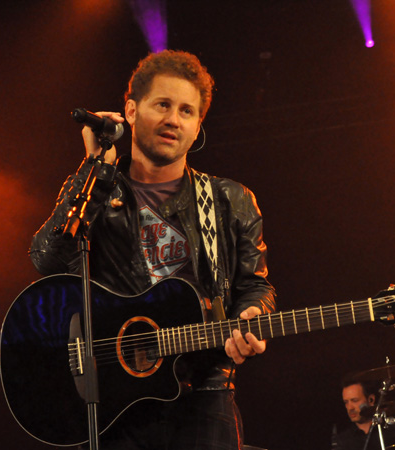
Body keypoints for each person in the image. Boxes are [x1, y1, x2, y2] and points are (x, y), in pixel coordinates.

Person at [29, 49, 276, 450]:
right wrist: (96, 167)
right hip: (114, 397)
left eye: (186, 111)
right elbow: (47, 260)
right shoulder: (96, 187)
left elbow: (256, 286)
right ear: (130, 110)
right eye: (162, 104)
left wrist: (253, 314)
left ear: (198, 126)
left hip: (205, 391)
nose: (173, 120)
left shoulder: (230, 199)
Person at [333, 380, 395, 450]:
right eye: (346, 402)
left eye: (355, 400)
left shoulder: (392, 433)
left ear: (371, 400)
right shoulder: (343, 440)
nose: (350, 407)